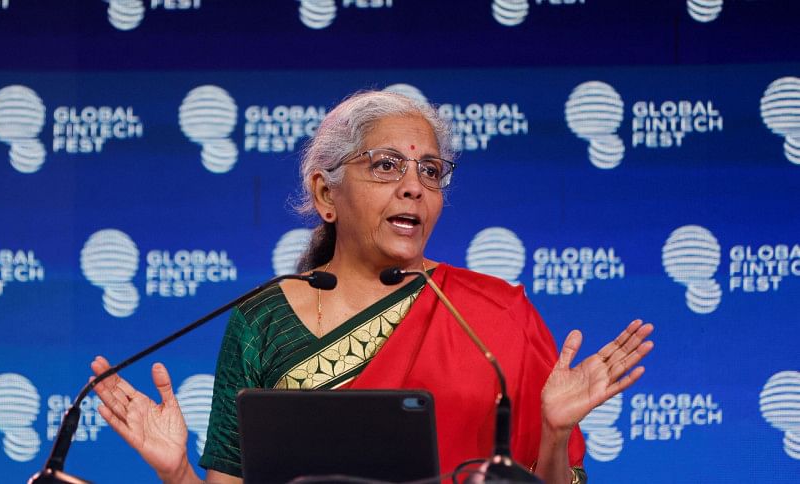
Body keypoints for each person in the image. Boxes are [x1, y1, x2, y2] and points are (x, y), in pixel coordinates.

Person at [91, 90, 654, 484]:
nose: (414, 187)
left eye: (430, 171)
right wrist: (177, 473)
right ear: (325, 193)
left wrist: (554, 432)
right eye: (386, 166)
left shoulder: (496, 314)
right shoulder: (262, 320)